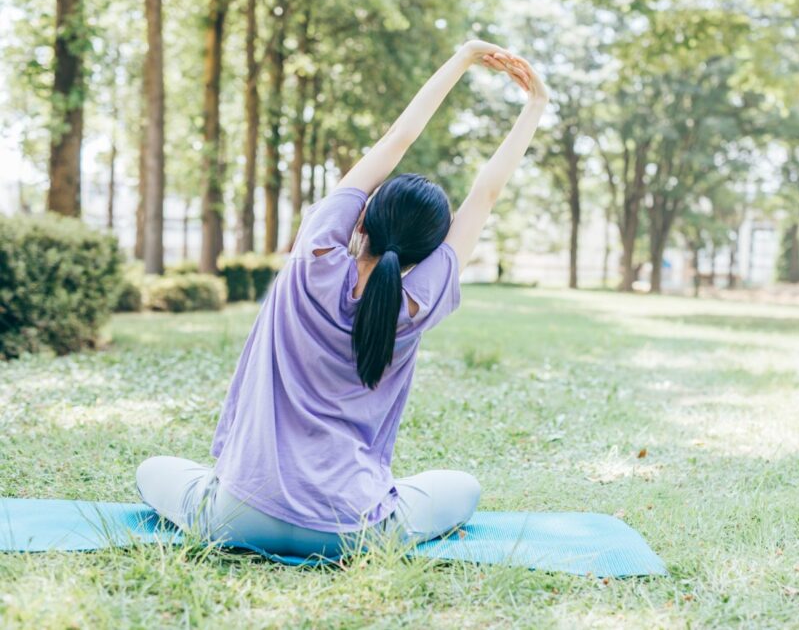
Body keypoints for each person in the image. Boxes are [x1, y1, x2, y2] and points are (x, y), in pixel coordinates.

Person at [135, 40, 548, 559]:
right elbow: (485, 194)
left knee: (152, 470)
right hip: (354, 531)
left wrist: (463, 57)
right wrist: (535, 106)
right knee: (461, 487)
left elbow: (398, 139)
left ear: (361, 219)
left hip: (236, 515)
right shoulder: (418, 302)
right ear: (428, 254)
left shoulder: (314, 253)